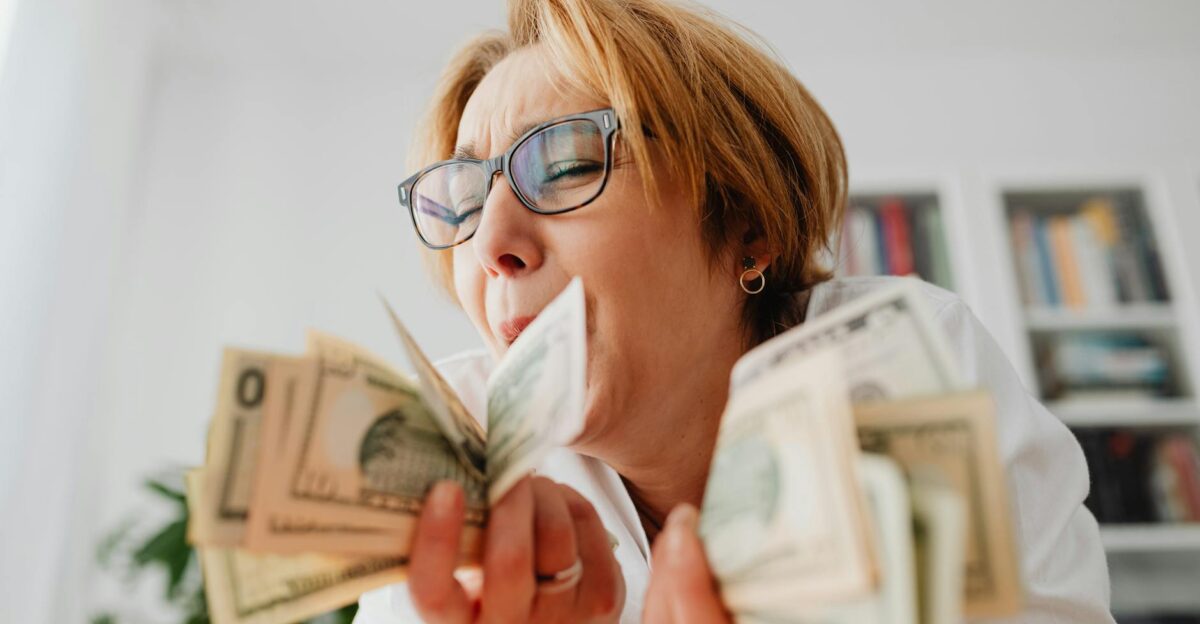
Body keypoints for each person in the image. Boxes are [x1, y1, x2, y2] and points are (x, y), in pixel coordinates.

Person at [356, 0, 1113, 621]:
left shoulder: (904, 367)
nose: (491, 243)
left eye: (567, 166)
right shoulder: (447, 451)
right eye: (459, 199)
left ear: (746, 228)